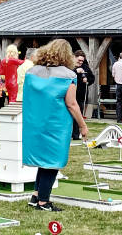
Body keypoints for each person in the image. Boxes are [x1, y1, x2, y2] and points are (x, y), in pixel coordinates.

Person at [22, 39, 89, 211]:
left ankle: (36, 196)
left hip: (35, 123)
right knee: (53, 162)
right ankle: (44, 201)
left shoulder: (31, 72)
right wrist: (82, 125)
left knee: (43, 161)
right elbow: (72, 104)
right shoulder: (68, 76)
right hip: (56, 124)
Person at [71, 49, 94, 139]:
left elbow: (92, 78)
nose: (80, 62)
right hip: (70, 94)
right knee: (69, 115)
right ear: (74, 58)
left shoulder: (85, 67)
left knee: (78, 115)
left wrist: (87, 80)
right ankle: (68, 134)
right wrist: (76, 71)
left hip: (81, 95)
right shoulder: (69, 66)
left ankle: (76, 135)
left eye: (82, 61)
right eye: (79, 60)